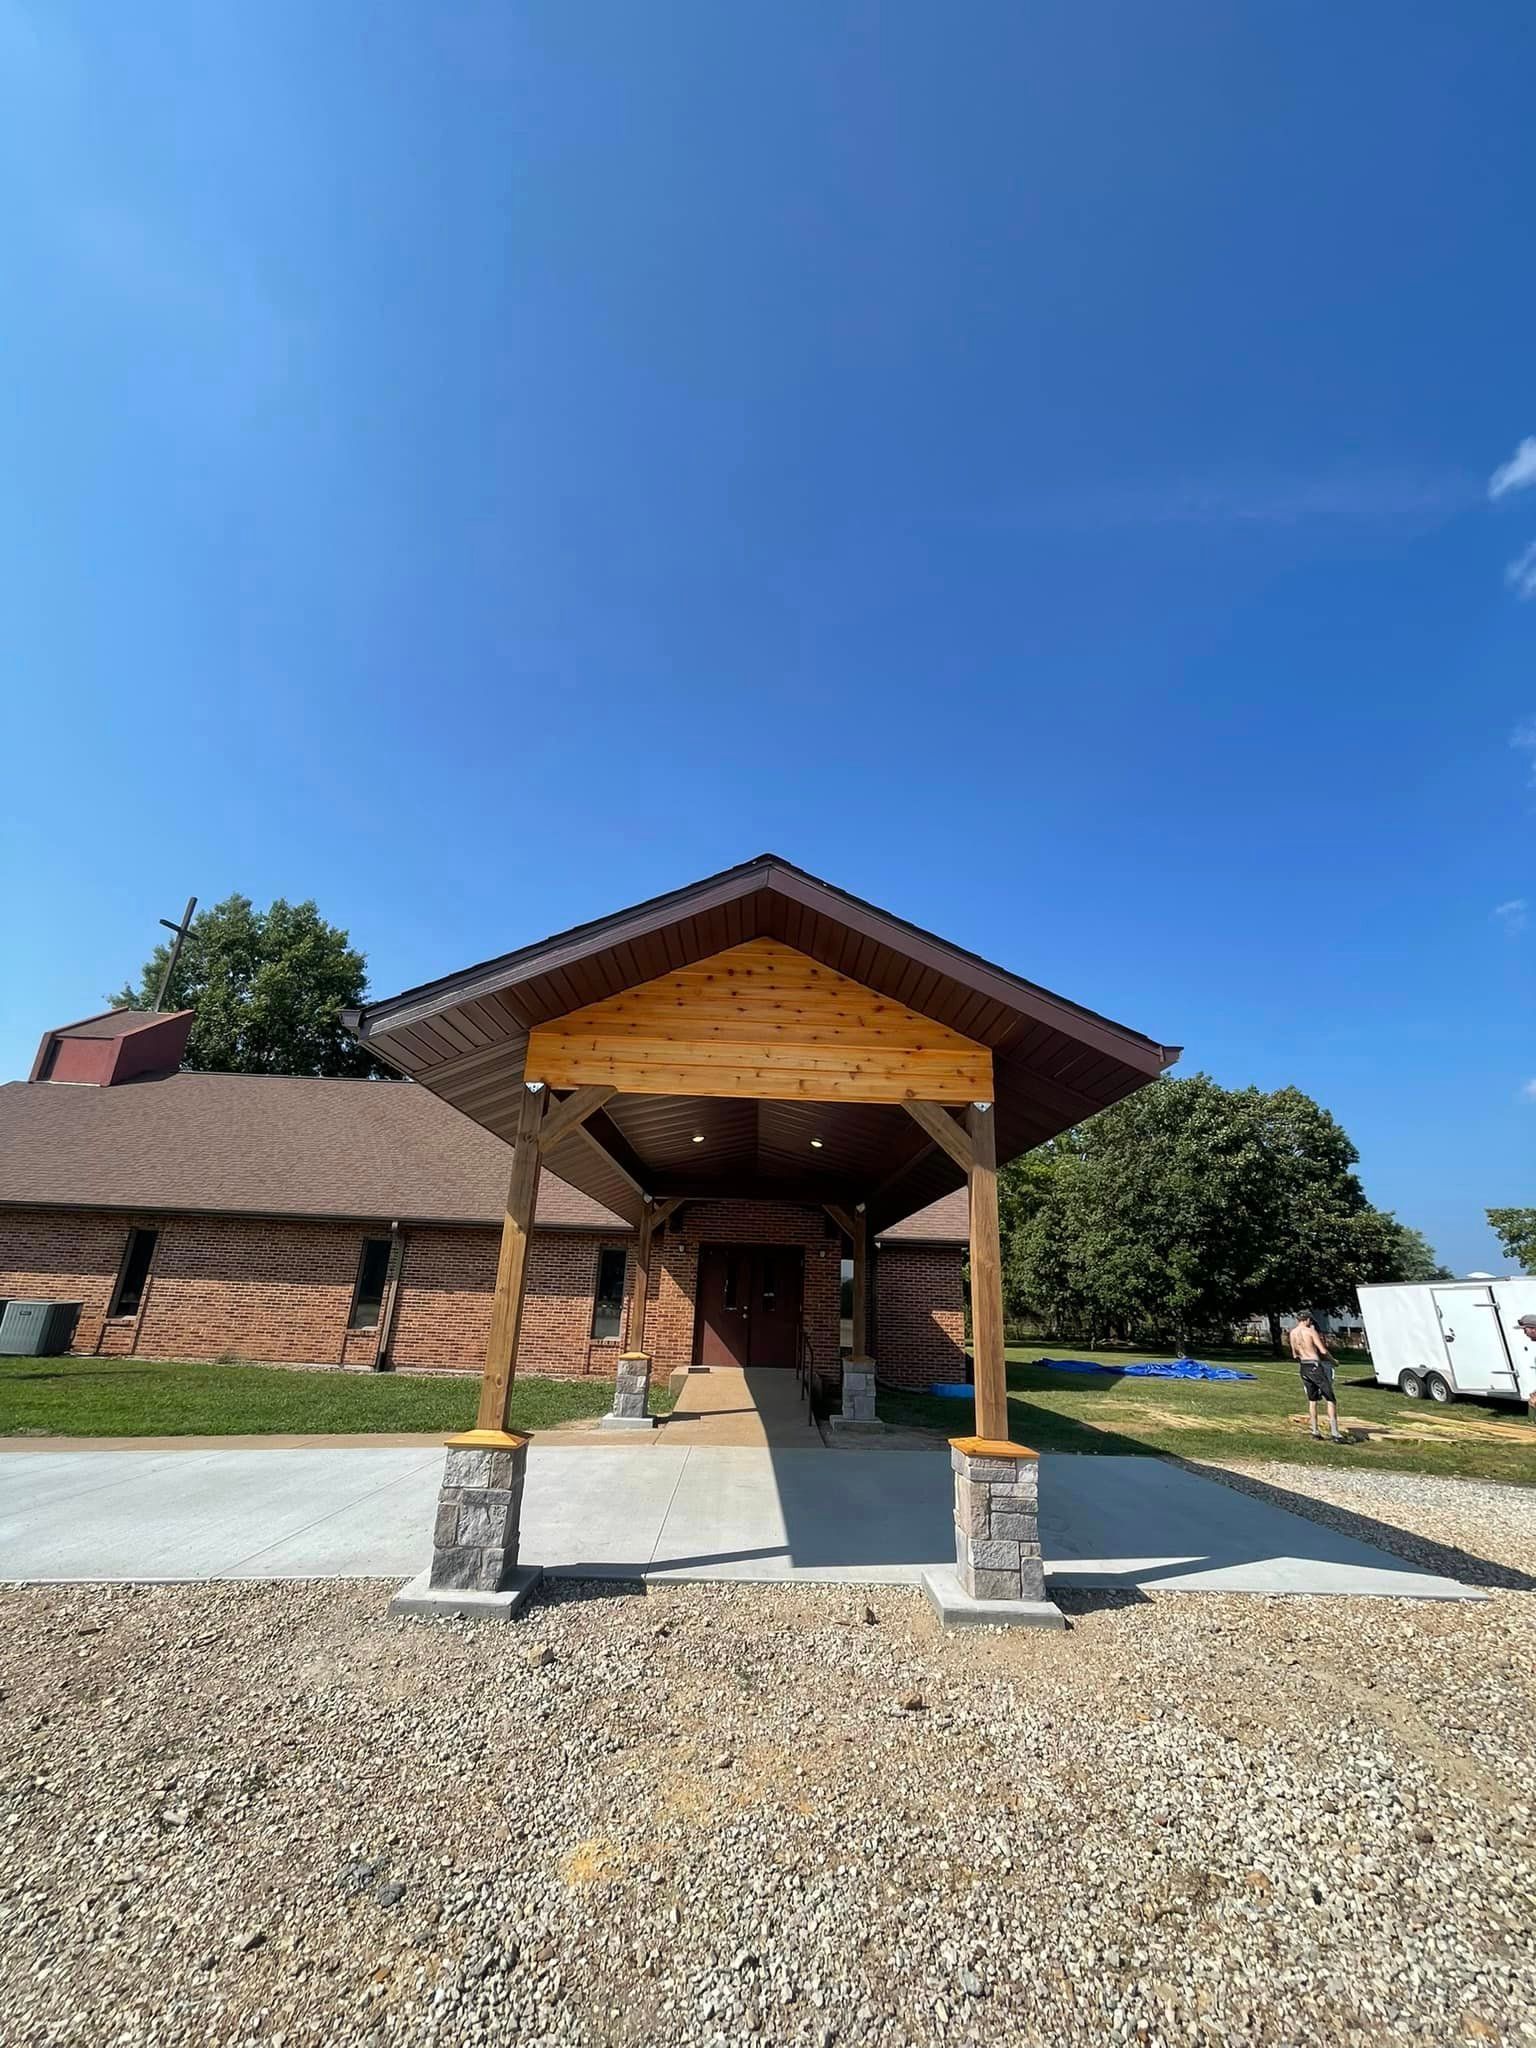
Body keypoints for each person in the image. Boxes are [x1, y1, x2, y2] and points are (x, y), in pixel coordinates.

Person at [1290, 1312, 1343, 1442]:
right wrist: (1333, 1361)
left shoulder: (1292, 1333)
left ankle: (1315, 1431)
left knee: (1312, 1400)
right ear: (1307, 1319)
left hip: (1303, 1367)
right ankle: (1335, 1433)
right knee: (1330, 1398)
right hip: (1314, 1365)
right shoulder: (1310, 1331)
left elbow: (1294, 1354)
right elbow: (1323, 1350)